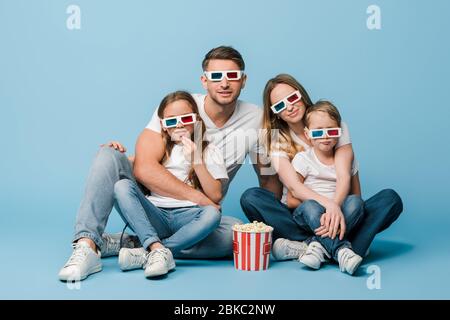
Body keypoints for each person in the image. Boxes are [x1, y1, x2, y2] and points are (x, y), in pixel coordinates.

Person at [58, 46, 278, 281]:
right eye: (216, 76)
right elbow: (144, 168)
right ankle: (87, 245)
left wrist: (281, 227)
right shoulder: (180, 105)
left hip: (195, 216)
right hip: (161, 206)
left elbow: (268, 178)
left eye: (232, 76)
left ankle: (143, 247)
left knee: (234, 237)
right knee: (108, 154)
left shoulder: (260, 119)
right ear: (204, 81)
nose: (224, 83)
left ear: (244, 80)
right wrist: (202, 199)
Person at [240, 74, 403, 264]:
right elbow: (294, 188)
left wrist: (336, 206)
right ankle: (346, 247)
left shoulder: (335, 125)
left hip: (342, 208)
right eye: (280, 105)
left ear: (301, 95)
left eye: (292, 98)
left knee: (390, 199)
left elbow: (344, 176)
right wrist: (329, 205)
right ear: (275, 112)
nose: (289, 107)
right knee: (251, 197)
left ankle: (313, 247)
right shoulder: (277, 139)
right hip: (303, 213)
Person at [113, 91, 227, 278]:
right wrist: (118, 153)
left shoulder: (210, 150)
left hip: (190, 217)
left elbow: (215, 196)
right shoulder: (159, 150)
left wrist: (196, 159)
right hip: (155, 213)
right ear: (163, 127)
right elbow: (137, 171)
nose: (180, 124)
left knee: (213, 214)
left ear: (197, 120)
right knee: (121, 186)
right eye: (172, 121)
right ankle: (156, 248)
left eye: (186, 118)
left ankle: (150, 250)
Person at [287, 101, 364, 275]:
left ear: (340, 133)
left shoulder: (347, 160)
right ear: (307, 134)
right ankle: (342, 251)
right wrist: (328, 208)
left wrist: (336, 210)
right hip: (310, 216)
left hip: (339, 216)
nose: (326, 137)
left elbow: (356, 195)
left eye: (332, 131)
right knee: (311, 206)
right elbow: (292, 198)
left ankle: (318, 246)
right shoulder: (302, 159)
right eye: (318, 132)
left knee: (356, 202)